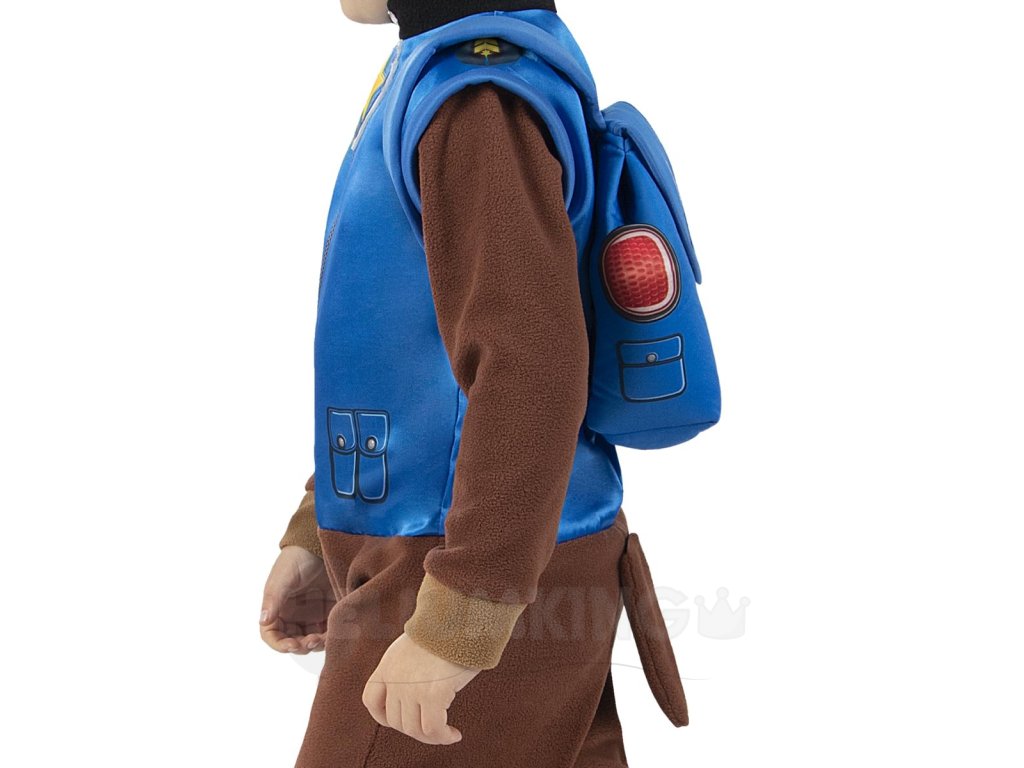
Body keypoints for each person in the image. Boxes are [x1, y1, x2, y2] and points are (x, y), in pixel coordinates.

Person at [258, 2, 687, 765]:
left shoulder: (474, 98)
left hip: (461, 561)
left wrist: (461, 619)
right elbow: (402, 349)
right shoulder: (445, 76)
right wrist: (319, 521)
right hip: (483, 548)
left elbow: (532, 366)